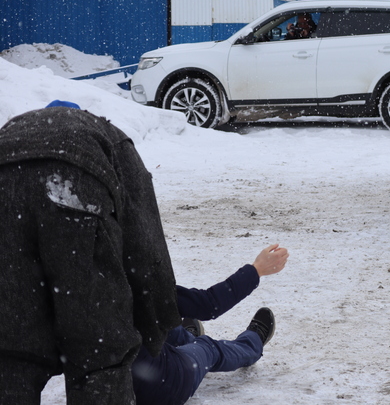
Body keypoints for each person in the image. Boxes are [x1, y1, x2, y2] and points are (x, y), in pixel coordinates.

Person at [0, 103, 182, 404]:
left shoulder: (12, 131)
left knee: (10, 351)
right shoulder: (108, 137)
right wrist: (157, 320)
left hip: (4, 177)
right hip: (77, 185)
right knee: (98, 351)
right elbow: (145, 238)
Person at [132, 243, 289, 405]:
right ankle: (252, 343)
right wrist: (257, 269)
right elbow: (207, 305)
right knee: (208, 348)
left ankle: (186, 340)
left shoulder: (115, 286)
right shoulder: (123, 284)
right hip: (159, 386)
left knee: (164, 325)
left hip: (131, 365)